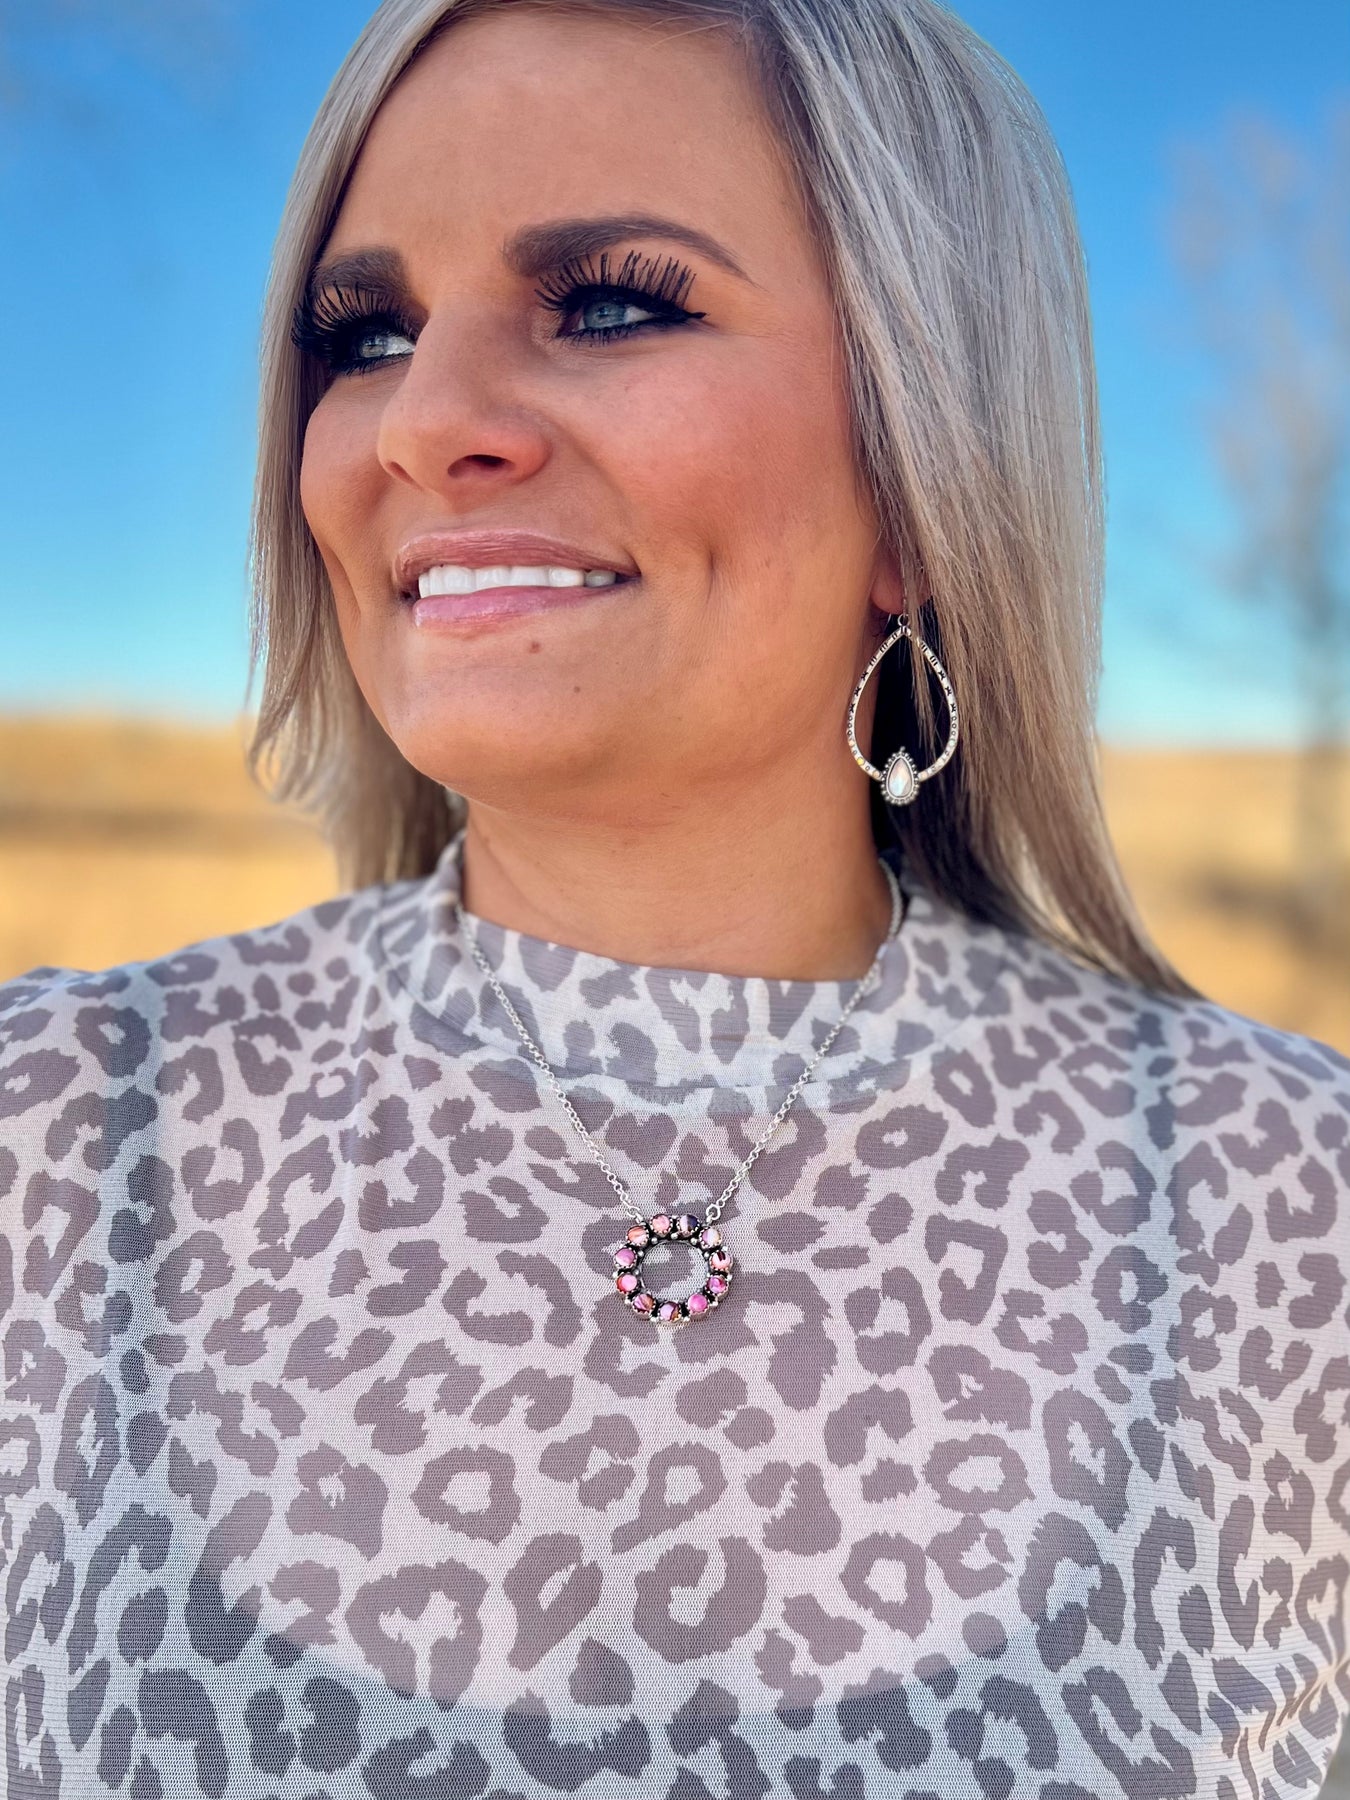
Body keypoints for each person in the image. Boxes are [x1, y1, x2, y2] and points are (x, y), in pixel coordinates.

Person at [3, 0, 1348, 1794]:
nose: (424, 422)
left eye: (614, 303)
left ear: (924, 474)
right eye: (366, 335)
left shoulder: (1284, 1207)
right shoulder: (53, 1133)